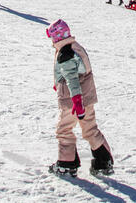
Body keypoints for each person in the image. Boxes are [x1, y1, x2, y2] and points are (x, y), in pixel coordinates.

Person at [46, 20, 114, 177]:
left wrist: (76, 100)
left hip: (73, 100)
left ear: (57, 37)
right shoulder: (74, 46)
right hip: (87, 96)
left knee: (64, 129)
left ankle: (67, 163)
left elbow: (72, 79)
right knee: (89, 128)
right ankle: (103, 161)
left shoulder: (65, 54)